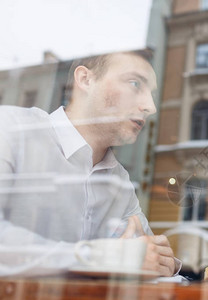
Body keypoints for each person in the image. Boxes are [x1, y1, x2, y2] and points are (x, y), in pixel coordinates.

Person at [0, 50, 179, 277]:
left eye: (151, 93)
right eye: (135, 84)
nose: (150, 106)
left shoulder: (119, 181)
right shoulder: (10, 129)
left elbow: (143, 254)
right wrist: (99, 257)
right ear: (86, 80)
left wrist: (162, 262)